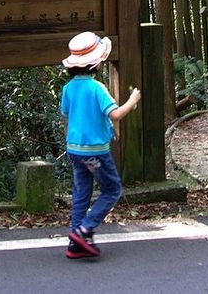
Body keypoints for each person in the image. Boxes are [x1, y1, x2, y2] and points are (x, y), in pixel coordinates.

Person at [59, 31, 141, 259]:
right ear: (97, 62)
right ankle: (85, 230)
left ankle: (75, 243)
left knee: (81, 194)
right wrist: (132, 101)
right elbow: (114, 114)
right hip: (95, 152)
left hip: (74, 149)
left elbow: (68, 118)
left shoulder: (68, 89)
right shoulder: (97, 88)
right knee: (112, 189)